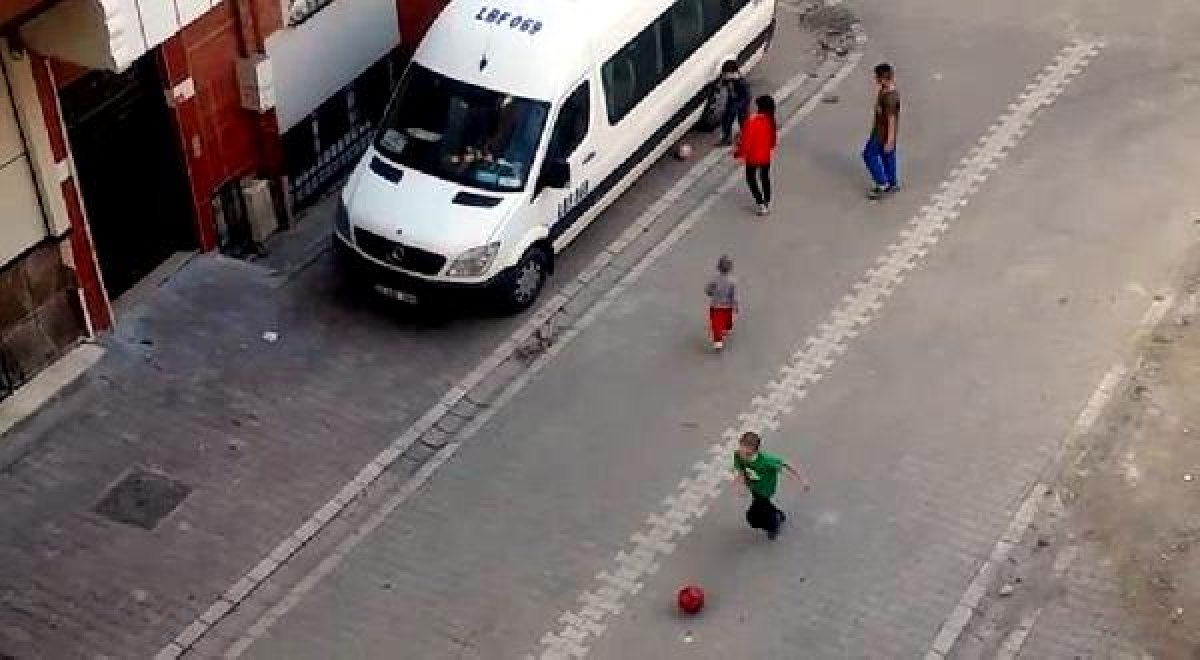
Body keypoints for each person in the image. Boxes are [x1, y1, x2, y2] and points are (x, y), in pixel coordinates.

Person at [732, 431, 809, 540]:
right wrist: (740, 485)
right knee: (764, 508)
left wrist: (802, 480)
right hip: (754, 488)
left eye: (745, 451)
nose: (741, 453)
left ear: (753, 450)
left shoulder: (766, 461)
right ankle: (778, 515)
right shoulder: (738, 455)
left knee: (753, 517)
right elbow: (741, 471)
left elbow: (786, 465)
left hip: (765, 491)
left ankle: (774, 525)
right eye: (741, 448)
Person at [734, 95, 777, 216]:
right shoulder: (771, 121)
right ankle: (768, 201)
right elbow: (772, 142)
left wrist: (738, 154)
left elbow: (746, 142)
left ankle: (761, 203)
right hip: (765, 155)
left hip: (753, 157)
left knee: (751, 179)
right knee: (765, 177)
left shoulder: (751, 122)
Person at [863, 62, 901, 199]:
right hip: (882, 131)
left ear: (883, 79)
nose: (875, 79)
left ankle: (882, 183)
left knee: (868, 155)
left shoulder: (890, 98)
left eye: (877, 77)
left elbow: (892, 119)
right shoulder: (885, 90)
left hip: (882, 134)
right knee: (887, 156)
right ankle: (892, 182)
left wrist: (889, 139)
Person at [705, 255, 738, 351]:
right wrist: (735, 305)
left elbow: (708, 290)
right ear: (730, 268)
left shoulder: (714, 279)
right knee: (727, 318)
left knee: (716, 323)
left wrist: (711, 292)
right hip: (727, 305)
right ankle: (727, 327)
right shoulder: (732, 281)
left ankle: (718, 341)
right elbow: (733, 295)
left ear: (718, 267)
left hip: (715, 305)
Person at [717, 60, 751, 146]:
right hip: (732, 101)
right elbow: (722, 85)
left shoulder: (741, 82)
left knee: (743, 120)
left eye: (726, 74)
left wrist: (739, 105)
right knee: (726, 119)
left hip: (741, 102)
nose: (724, 75)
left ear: (734, 73)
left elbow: (747, 96)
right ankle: (727, 138)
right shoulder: (727, 80)